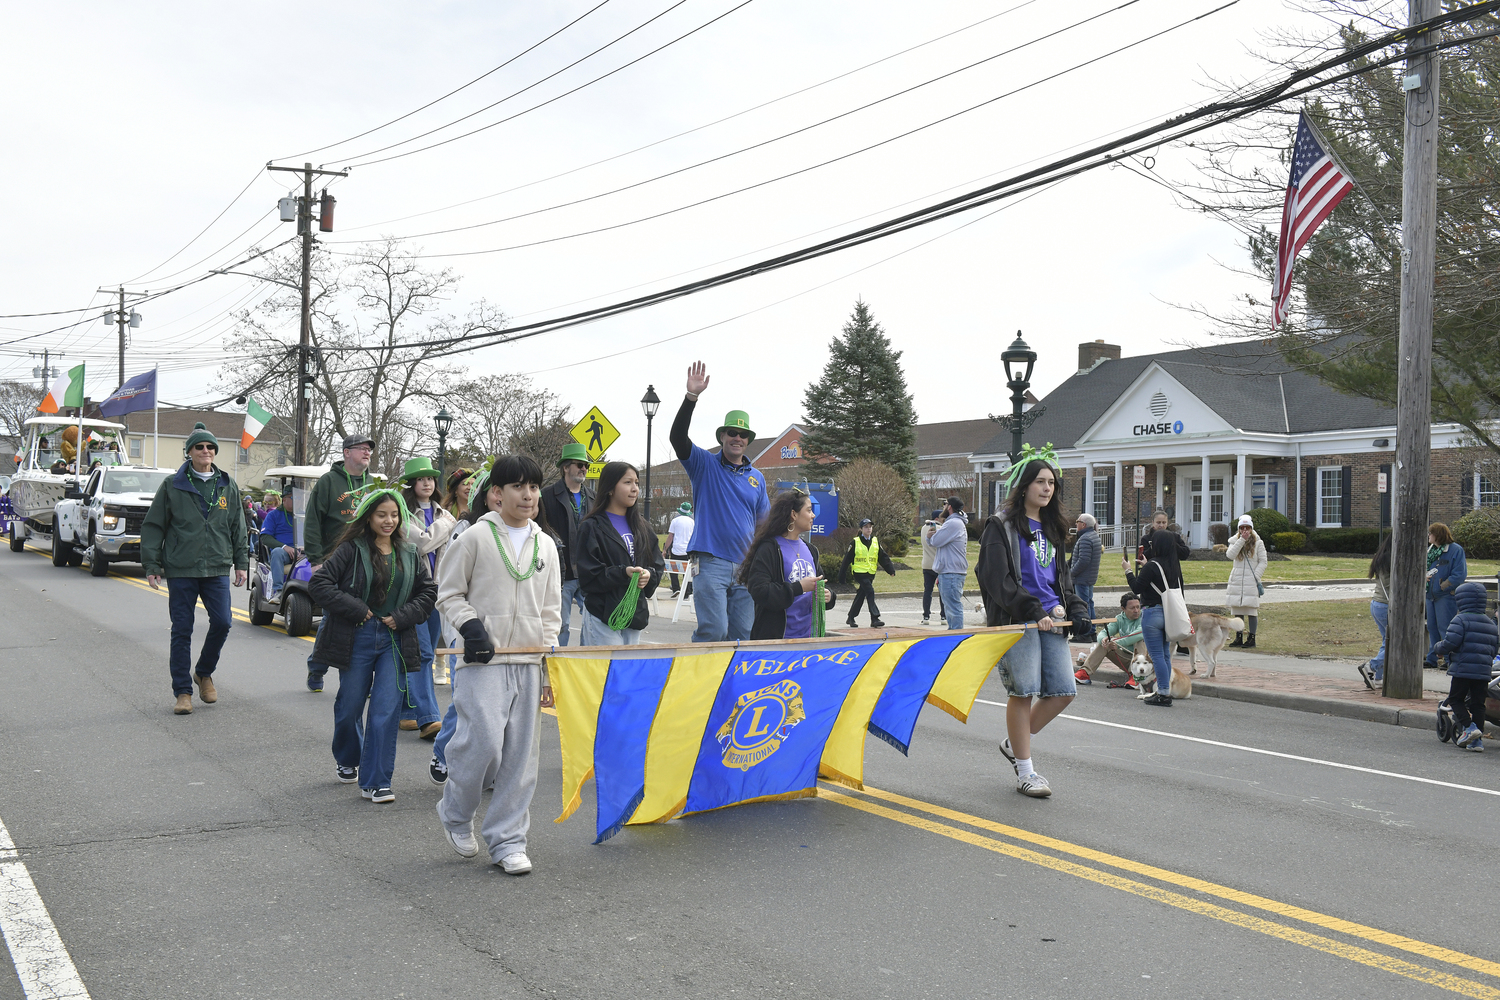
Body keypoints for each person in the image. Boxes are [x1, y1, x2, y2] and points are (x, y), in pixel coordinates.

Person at [435, 455, 562, 873]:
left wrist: (546, 661)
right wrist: (470, 628)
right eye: (518, 487)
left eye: (534, 487)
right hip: (481, 660)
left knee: (521, 757)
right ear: (496, 494)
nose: (528, 495)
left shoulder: (546, 545)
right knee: (483, 742)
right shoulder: (473, 538)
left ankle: (508, 840)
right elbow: (449, 594)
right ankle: (455, 811)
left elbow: (551, 610)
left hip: (527, 661)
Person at [308, 488, 437, 804]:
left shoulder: (409, 552)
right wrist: (356, 609)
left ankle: (376, 781)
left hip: (394, 639)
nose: (389, 520)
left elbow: (428, 594)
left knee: (385, 710)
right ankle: (348, 757)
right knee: (349, 706)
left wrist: (403, 615)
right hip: (357, 638)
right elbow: (319, 584)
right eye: (382, 515)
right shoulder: (350, 550)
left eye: (395, 515)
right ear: (368, 517)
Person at [975, 452, 1090, 798]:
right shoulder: (1002, 525)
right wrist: (1029, 607)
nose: (1046, 488)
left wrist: (1076, 608)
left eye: (1051, 483)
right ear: (1024, 486)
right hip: (1018, 621)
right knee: (1022, 691)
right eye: (1040, 481)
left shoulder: (1054, 527)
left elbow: (1063, 579)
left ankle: (1014, 742)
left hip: (1052, 621)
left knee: (1063, 691)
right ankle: (1026, 771)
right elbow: (995, 577)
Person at [139, 423, 248, 715]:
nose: (205, 451)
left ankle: (203, 672)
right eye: (199, 447)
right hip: (181, 567)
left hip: (216, 566)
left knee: (224, 622)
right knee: (182, 630)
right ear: (189, 452)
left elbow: (238, 526)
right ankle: (183, 692)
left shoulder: (227, 484)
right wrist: (152, 564)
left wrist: (242, 563)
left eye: (210, 447)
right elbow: (153, 526)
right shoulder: (172, 485)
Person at [668, 361, 769, 642]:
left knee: (742, 636)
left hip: (745, 567)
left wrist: (764, 563)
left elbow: (764, 526)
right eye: (732, 433)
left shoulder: (757, 479)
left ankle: (733, 686)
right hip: (710, 562)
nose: (738, 438)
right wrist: (691, 398)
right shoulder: (703, 465)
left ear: (748, 440)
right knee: (714, 631)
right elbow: (677, 438)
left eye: (743, 434)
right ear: (722, 436)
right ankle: (701, 683)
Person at [303, 433, 377, 693]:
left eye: (370, 449)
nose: (367, 452)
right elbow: (312, 522)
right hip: (334, 561)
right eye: (362, 449)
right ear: (347, 452)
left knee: (366, 618)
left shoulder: (373, 484)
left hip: (367, 561)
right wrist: (315, 560)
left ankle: (362, 679)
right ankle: (317, 667)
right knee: (332, 618)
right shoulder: (328, 483)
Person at [574, 462, 664, 646]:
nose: (634, 489)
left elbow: (656, 564)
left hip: (634, 615)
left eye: (637, 483)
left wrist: (648, 575)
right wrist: (623, 574)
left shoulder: (642, 526)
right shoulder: (591, 526)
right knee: (604, 673)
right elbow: (588, 576)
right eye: (627, 482)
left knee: (628, 672)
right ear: (610, 488)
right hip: (602, 615)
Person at [400, 457, 456, 739]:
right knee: (423, 653)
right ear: (411, 484)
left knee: (424, 652)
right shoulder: (402, 513)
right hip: (413, 592)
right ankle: (429, 718)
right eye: (421, 478)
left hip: (439, 590)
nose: (427, 482)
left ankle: (407, 710)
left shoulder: (441, 514)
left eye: (431, 478)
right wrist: (446, 525)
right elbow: (420, 543)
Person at [743, 489, 837, 639]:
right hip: (777, 642)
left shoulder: (811, 550)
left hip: (810, 641)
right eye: (809, 510)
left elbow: (821, 584)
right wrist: (798, 587)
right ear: (794, 514)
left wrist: (829, 596)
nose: (813, 515)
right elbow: (759, 591)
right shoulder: (769, 548)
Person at [1123, 526, 1191, 707]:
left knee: (1156, 656)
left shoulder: (1153, 565)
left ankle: (1162, 693)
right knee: (1166, 656)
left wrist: (1128, 570)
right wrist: (1147, 566)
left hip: (1152, 613)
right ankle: (1165, 689)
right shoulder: (1173, 565)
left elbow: (1137, 587)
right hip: (1168, 614)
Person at [540, 442, 594, 646]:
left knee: (591, 623)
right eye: (578, 464)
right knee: (560, 625)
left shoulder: (592, 497)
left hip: (588, 571)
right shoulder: (546, 496)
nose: (583, 469)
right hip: (561, 572)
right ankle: (558, 664)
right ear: (565, 467)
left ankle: (584, 664)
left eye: (585, 465)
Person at [1431, 581, 1496, 752]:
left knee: (1456, 699)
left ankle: (1468, 727)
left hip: (1463, 670)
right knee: (1478, 704)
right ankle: (1477, 741)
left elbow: (1450, 642)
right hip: (1483, 672)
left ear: (1461, 600)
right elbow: (1494, 648)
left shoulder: (1460, 620)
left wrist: (1438, 648)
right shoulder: (1491, 624)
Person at [839, 518, 896, 628]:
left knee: (861, 594)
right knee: (870, 591)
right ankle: (874, 618)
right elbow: (847, 560)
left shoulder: (875, 541)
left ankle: (851, 617)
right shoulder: (855, 542)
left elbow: (883, 557)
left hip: (870, 573)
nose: (868, 529)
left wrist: (890, 570)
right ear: (861, 529)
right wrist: (842, 577)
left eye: (870, 527)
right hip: (859, 573)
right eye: (866, 527)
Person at [1425, 522, 1468, 669]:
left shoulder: (1456, 550)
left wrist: (1442, 586)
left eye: (1431, 533)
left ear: (1438, 535)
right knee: (1432, 627)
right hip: (1430, 596)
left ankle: (1450, 659)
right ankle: (1432, 658)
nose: (1428, 536)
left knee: (1446, 628)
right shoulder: (1430, 550)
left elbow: (1459, 574)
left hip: (1445, 596)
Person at [1078, 593, 1145, 681]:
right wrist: (1104, 640)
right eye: (1132, 608)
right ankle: (1084, 672)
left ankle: (1137, 676)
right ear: (1123, 609)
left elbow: (1138, 634)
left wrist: (1117, 642)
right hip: (1127, 658)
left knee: (1140, 640)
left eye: (1138, 607)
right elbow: (1103, 633)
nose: (1136, 610)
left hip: (1145, 662)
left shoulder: (1145, 617)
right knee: (1106, 641)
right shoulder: (1119, 618)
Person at [1225, 514, 1267, 648]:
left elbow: (1263, 562)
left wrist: (1255, 576)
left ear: (1251, 528)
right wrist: (1241, 540)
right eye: (1242, 528)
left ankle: (1251, 638)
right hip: (1237, 578)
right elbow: (1230, 555)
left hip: (1251, 579)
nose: (1245, 530)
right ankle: (1238, 636)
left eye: (1247, 527)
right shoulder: (1234, 541)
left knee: (1251, 609)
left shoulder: (1258, 543)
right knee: (1238, 608)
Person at [1357, 532, 1392, 689]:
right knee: (1394, 641)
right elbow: (1396, 583)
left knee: (1387, 640)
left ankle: (1378, 677)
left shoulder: (1382, 556)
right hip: (1386, 605)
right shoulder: (1392, 558)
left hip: (1377, 603)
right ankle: (1372, 666)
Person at [931, 496, 970, 630]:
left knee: (953, 607)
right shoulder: (955, 523)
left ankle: (956, 637)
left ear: (950, 507)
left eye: (945, 504)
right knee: (950, 607)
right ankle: (953, 634)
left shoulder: (954, 523)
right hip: (949, 572)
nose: (943, 506)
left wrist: (930, 535)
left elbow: (935, 541)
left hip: (951, 573)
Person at [1069, 513, 1101, 642]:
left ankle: (1085, 633)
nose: (1076, 524)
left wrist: (1071, 573)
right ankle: (1092, 631)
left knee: (1083, 605)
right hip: (1089, 577)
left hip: (1082, 578)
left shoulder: (1085, 539)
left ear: (1083, 524)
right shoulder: (1094, 536)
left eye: (1077, 522)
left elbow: (1083, 560)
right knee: (1089, 604)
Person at [260, 491, 297, 598]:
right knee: (276, 552)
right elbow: (265, 537)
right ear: (284, 499)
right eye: (293, 497)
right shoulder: (273, 515)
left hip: (302, 551)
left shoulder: (304, 515)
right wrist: (285, 547)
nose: (298, 500)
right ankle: (278, 591)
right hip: (283, 553)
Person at [920, 510, 945, 626]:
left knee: (928, 591)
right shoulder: (939, 529)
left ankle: (926, 616)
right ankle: (943, 616)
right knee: (942, 592)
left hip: (926, 564)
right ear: (937, 519)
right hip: (938, 565)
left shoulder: (923, 528)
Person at [665, 502, 695, 597]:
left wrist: (665, 549)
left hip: (677, 549)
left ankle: (676, 588)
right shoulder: (692, 522)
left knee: (673, 570)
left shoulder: (675, 521)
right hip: (688, 550)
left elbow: (670, 537)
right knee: (687, 572)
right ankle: (687, 591)